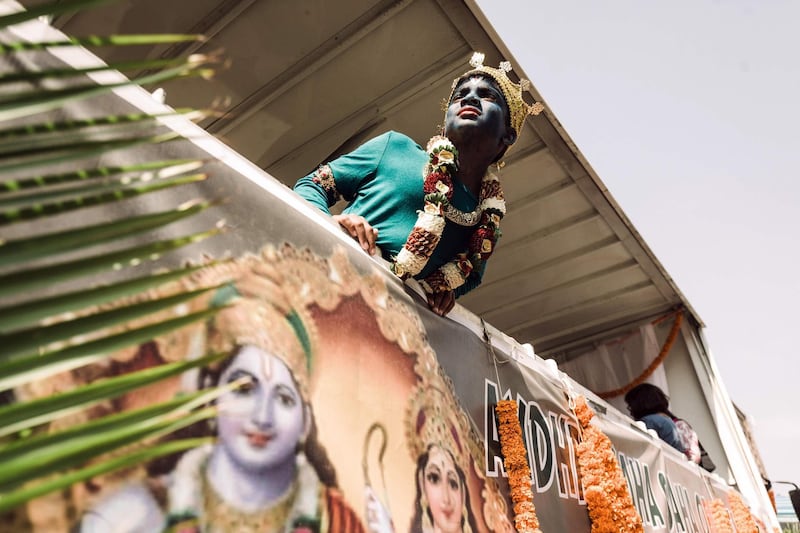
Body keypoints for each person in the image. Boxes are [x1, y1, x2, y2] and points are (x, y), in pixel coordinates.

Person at [80, 259, 365, 533]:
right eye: (243, 389)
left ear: (304, 423)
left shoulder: (338, 524)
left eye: (284, 399)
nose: (263, 417)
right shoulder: (130, 516)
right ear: (210, 397)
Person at [294, 52, 543, 316]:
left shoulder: (486, 221)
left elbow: (471, 275)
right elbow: (311, 185)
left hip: (385, 326)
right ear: (445, 125)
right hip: (321, 285)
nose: (469, 98)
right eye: (459, 95)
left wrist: (444, 290)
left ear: (508, 134)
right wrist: (329, 223)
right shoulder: (394, 147)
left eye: (487, 95)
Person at [624, 383, 701, 465]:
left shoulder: (650, 421)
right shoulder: (668, 420)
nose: (630, 411)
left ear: (639, 403)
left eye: (630, 405)